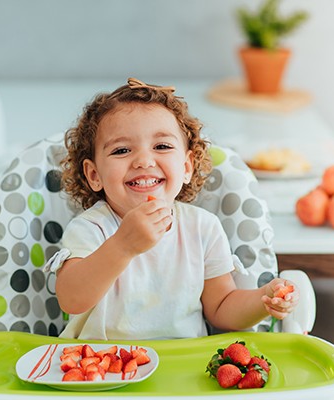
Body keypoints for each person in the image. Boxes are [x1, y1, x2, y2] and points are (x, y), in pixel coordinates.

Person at [45, 77, 299, 340]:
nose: (143, 161)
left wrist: (262, 300)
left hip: (184, 369)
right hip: (103, 369)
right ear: (94, 174)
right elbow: (71, 299)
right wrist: (123, 246)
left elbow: (222, 306)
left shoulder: (202, 227)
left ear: (187, 167)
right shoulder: (90, 228)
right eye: (122, 150)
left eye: (162, 146)